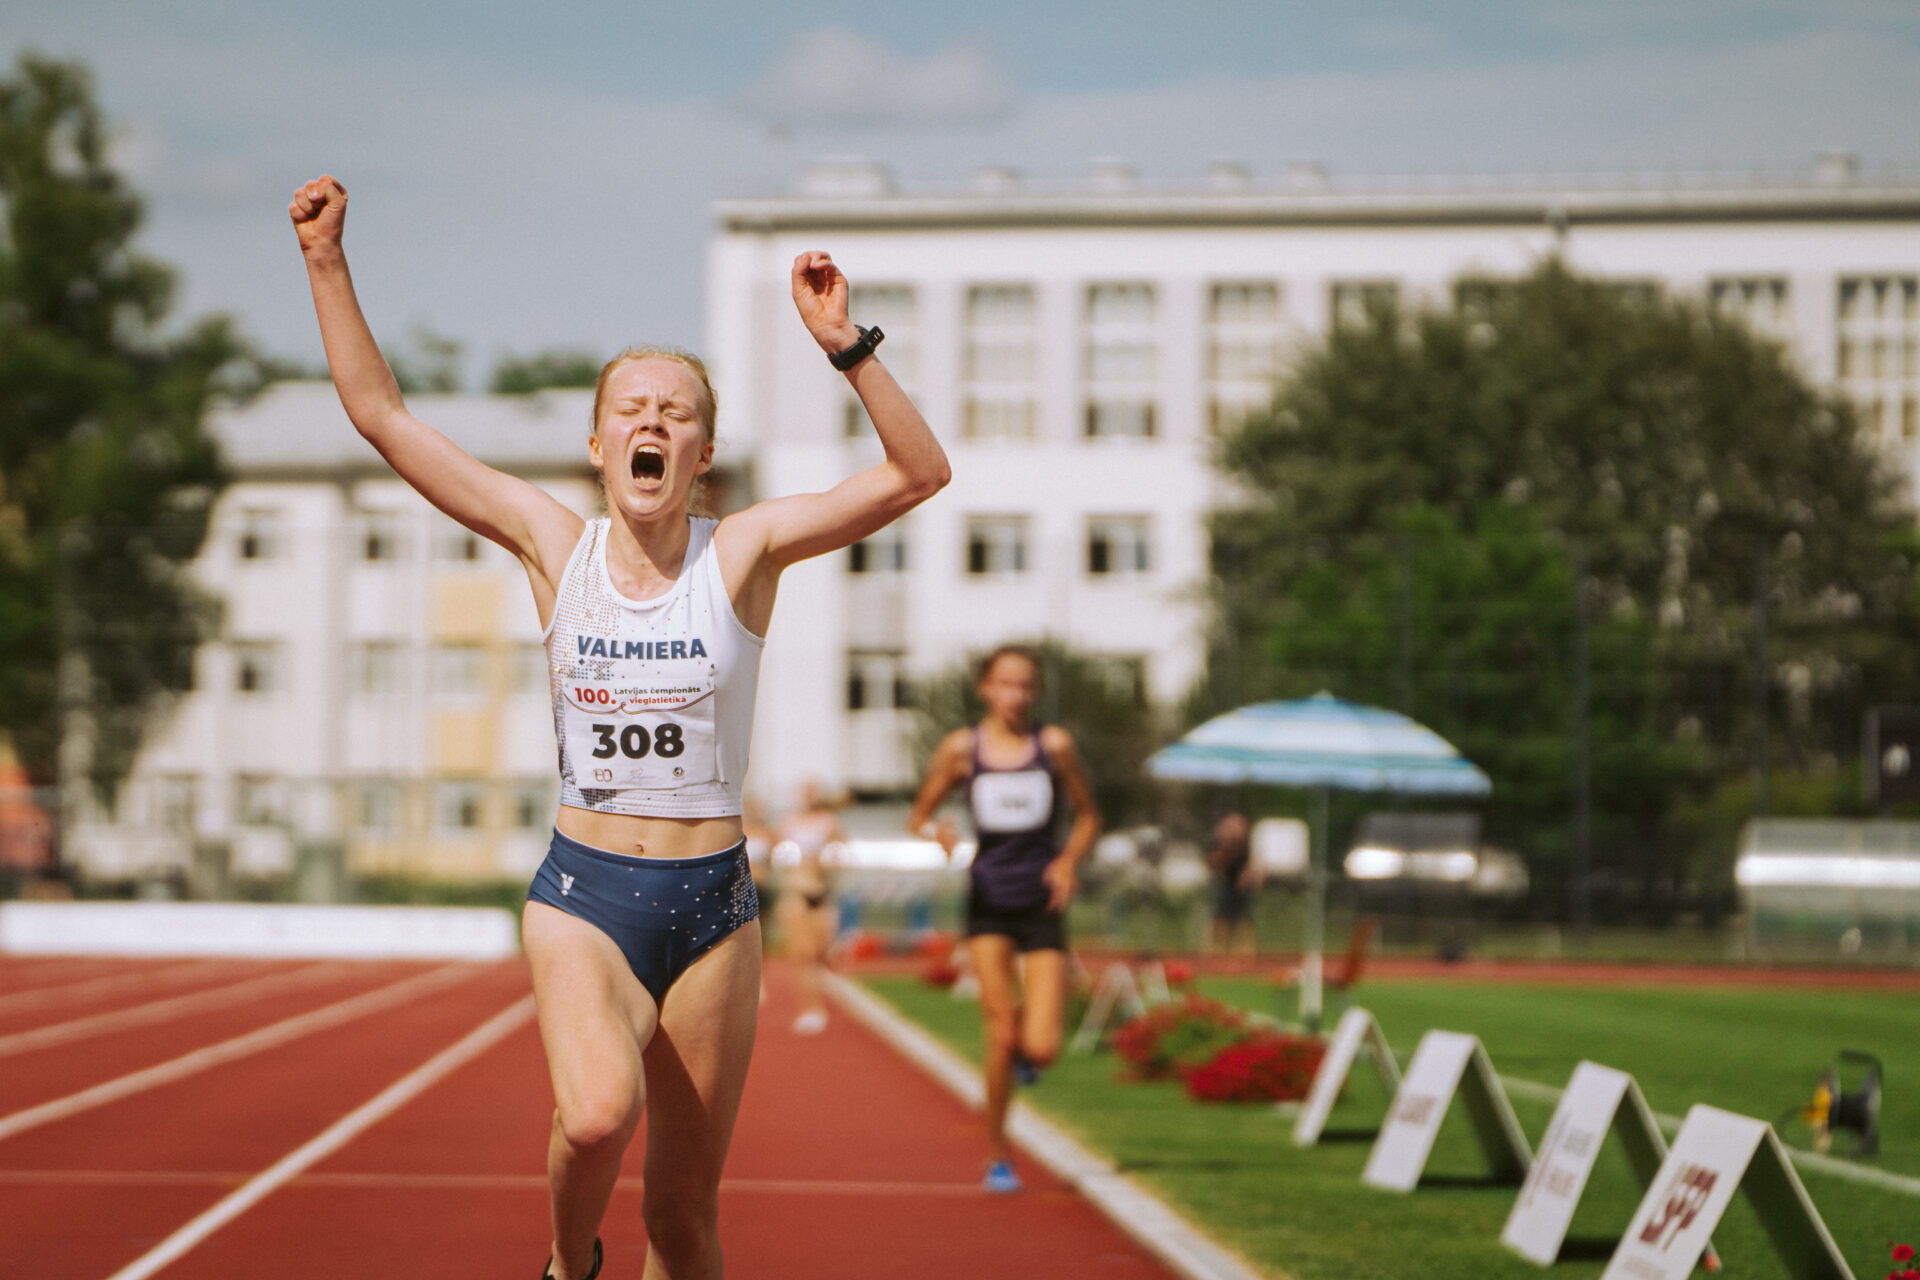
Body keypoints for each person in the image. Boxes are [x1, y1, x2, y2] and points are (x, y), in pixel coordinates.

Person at [289, 175, 949, 1280]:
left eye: (675, 413)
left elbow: (918, 473)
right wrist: (325, 261)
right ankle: (565, 1262)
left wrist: (849, 348)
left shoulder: (741, 551)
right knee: (595, 1115)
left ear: (701, 456)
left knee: (686, 1223)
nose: (651, 421)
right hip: (587, 893)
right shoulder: (556, 543)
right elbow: (383, 418)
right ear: (599, 447)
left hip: (714, 907)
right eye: (630, 411)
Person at [904, 645, 1101, 1193]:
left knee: (1042, 1045)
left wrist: (1068, 861)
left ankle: (1024, 1059)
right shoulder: (962, 749)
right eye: (1005, 684)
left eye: (1025, 686)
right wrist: (938, 832)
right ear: (985, 688)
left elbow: (1088, 816)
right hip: (988, 901)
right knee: (999, 1030)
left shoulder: (1053, 746)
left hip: (1042, 904)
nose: (1015, 695)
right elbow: (918, 816)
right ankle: (997, 1154)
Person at [774, 780, 845, 1034]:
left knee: (822, 953)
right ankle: (810, 1008)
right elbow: (778, 853)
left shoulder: (829, 821)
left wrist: (825, 862)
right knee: (802, 954)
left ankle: (820, 1001)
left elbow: (840, 853)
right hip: (796, 891)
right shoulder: (789, 822)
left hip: (822, 891)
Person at [1206, 812, 1258, 954]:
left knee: (1244, 920)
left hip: (1241, 887)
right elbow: (1213, 862)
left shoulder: (1245, 846)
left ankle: (1245, 954)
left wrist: (1248, 877)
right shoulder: (1220, 845)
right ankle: (1213, 952)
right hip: (1225, 884)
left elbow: (1251, 864)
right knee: (1219, 919)